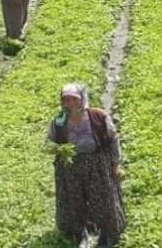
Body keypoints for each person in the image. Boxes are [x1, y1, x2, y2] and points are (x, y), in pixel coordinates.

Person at [47, 84, 126, 247]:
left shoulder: (98, 116)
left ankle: (105, 234)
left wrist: (116, 164)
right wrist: (58, 149)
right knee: (74, 201)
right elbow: (48, 144)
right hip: (70, 168)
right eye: (65, 100)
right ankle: (81, 233)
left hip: (97, 164)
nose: (69, 104)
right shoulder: (59, 121)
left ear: (82, 100)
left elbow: (113, 140)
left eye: (73, 99)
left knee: (103, 198)